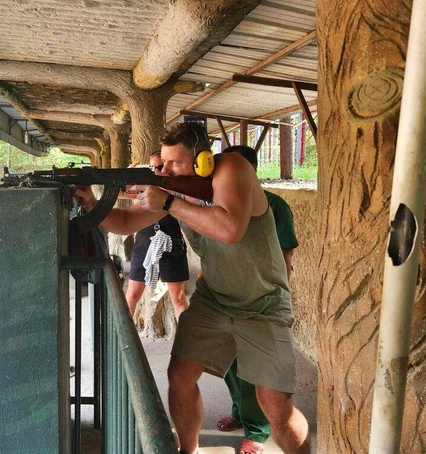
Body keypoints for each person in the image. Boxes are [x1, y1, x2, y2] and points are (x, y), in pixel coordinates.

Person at [74, 123, 310, 454]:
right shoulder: (176, 189)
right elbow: (126, 224)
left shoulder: (233, 168)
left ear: (203, 161)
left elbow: (229, 229)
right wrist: (90, 204)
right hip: (214, 299)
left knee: (276, 410)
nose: (164, 171)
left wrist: (168, 201)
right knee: (180, 377)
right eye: (163, 164)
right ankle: (189, 452)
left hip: (263, 304)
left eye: (174, 164)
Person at [210, 145, 299, 454]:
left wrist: (279, 304)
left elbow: (285, 257)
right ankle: (239, 412)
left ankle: (258, 431)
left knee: (255, 371)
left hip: (261, 302)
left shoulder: (275, 206)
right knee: (230, 365)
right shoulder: (218, 202)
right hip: (225, 298)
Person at [124, 152, 190, 319]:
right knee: (131, 296)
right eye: (153, 167)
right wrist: (125, 177)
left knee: (179, 299)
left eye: (162, 167)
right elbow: (122, 192)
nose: (158, 171)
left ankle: (185, 341)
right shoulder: (145, 188)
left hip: (172, 244)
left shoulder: (179, 187)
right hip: (143, 244)